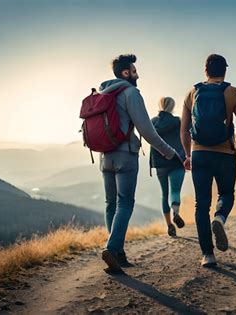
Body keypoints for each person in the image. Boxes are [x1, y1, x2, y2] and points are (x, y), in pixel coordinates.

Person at [98, 54, 178, 273]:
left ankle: (118, 253)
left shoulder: (104, 92)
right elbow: (147, 131)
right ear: (126, 73)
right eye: (134, 71)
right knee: (125, 203)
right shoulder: (130, 93)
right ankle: (113, 249)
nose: (137, 74)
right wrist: (170, 153)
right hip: (126, 155)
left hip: (105, 156)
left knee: (110, 204)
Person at [181, 54, 236, 267]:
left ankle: (207, 255)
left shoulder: (192, 93)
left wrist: (187, 155)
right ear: (225, 71)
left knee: (201, 204)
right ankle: (220, 217)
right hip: (225, 153)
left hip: (200, 154)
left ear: (206, 71)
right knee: (226, 194)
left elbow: (184, 129)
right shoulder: (233, 92)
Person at [150, 97, 186, 237]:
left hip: (159, 163)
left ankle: (169, 225)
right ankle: (176, 213)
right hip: (176, 160)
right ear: (173, 107)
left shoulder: (152, 122)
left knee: (164, 194)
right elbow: (186, 137)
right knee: (175, 191)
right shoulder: (178, 121)